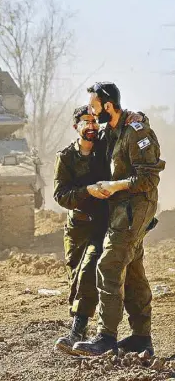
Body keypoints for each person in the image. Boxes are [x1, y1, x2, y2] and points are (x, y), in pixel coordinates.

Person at [72, 82, 166, 356]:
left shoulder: (135, 132)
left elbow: (148, 178)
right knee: (133, 268)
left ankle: (106, 338)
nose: (91, 111)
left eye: (94, 106)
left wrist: (116, 186)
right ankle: (140, 338)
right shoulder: (111, 131)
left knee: (110, 264)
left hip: (135, 207)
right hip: (121, 209)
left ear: (108, 106)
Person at [52, 105, 109, 354]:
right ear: (76, 127)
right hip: (77, 226)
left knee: (88, 271)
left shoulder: (105, 151)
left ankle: (80, 329)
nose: (91, 125)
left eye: (95, 121)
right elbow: (61, 195)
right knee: (76, 276)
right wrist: (87, 191)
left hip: (102, 223)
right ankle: (81, 326)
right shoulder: (66, 157)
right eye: (86, 121)